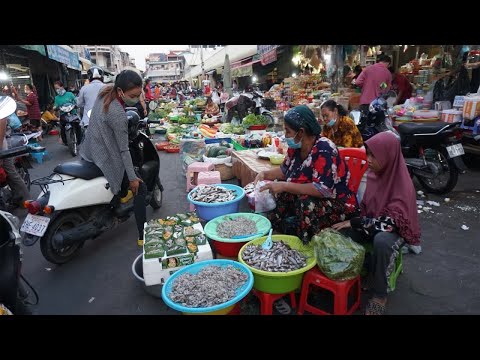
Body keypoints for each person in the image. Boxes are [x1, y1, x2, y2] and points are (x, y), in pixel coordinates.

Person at [332, 131, 421, 315]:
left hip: (395, 230)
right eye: (368, 153)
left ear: (388, 156)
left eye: (373, 155)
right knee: (341, 231)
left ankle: (380, 294)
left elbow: (390, 224)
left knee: (381, 241)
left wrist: (356, 222)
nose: (368, 159)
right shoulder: (374, 175)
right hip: (373, 222)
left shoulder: (402, 185)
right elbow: (367, 208)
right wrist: (351, 220)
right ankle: (365, 269)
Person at [255, 105, 358, 244]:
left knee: (304, 201)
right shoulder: (296, 148)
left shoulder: (324, 149)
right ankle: (277, 231)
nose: (285, 135)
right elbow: (285, 170)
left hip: (337, 203)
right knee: (282, 193)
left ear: (301, 132)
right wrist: (265, 174)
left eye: (288, 131)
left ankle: (305, 242)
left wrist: (285, 186)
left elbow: (322, 189)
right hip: (314, 195)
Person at [79, 70, 147, 247]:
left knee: (128, 168)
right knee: (140, 187)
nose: (137, 98)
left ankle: (121, 195)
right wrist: (133, 179)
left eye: (139, 94)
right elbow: (123, 150)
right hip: (103, 156)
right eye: (134, 95)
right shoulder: (117, 113)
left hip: (89, 150)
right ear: (121, 92)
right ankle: (143, 235)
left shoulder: (106, 93)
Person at [0, 96, 30, 208]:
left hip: (2, 141)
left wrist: (0, 153)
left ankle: (29, 201)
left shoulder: (1, 104)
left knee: (10, 172)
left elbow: (1, 127)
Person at [54, 81, 78, 145]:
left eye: (58, 88)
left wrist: (76, 104)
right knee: (62, 128)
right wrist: (55, 107)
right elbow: (55, 105)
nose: (57, 90)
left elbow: (76, 100)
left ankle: (79, 138)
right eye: (56, 89)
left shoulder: (70, 94)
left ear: (62, 87)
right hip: (63, 115)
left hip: (72, 113)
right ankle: (65, 141)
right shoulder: (56, 98)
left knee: (77, 125)